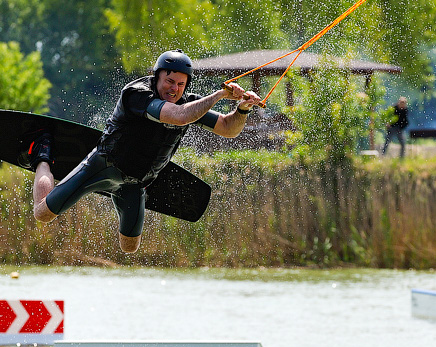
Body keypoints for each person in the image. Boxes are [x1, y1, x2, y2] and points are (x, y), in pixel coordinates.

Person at [29, 49, 262, 253]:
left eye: (181, 84)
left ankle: (116, 193)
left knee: (129, 246)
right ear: (157, 76)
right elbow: (180, 117)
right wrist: (220, 94)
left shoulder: (190, 104)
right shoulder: (137, 94)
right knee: (43, 214)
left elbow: (228, 129)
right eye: (169, 81)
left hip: (136, 183)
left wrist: (242, 109)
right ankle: (42, 154)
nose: (174, 89)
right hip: (104, 165)